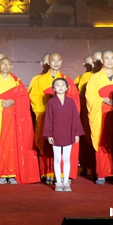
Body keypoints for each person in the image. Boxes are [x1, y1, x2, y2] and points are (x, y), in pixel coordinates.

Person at [29, 53, 80, 184]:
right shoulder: (39, 80)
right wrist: (47, 108)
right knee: (48, 145)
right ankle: (48, 174)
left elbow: (74, 98)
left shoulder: (66, 80)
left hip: (64, 120)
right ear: (48, 62)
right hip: (46, 117)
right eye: (53, 60)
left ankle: (64, 175)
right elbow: (34, 98)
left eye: (58, 60)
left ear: (61, 62)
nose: (56, 63)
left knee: (65, 152)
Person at [0, 57, 39, 185]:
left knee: (13, 144)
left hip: (14, 118)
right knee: (0, 145)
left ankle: (12, 174)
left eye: (8, 64)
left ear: (11, 66)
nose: (6, 66)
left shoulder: (16, 82)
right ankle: (1, 173)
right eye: (3, 64)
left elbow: (24, 98)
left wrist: (14, 102)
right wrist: (0, 103)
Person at [85, 50, 113, 185]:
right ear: (102, 61)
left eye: (112, 58)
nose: (110, 61)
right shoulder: (94, 78)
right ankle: (102, 173)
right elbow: (89, 96)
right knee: (102, 140)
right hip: (101, 114)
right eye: (107, 58)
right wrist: (103, 99)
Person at [43, 78, 84, 192]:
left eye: (62, 85)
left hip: (68, 132)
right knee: (57, 158)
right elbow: (48, 119)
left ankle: (66, 181)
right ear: (53, 88)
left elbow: (75, 117)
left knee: (66, 158)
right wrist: (49, 135)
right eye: (57, 85)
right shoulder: (51, 102)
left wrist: (76, 133)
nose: (60, 87)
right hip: (56, 133)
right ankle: (58, 182)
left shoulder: (71, 102)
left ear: (67, 88)